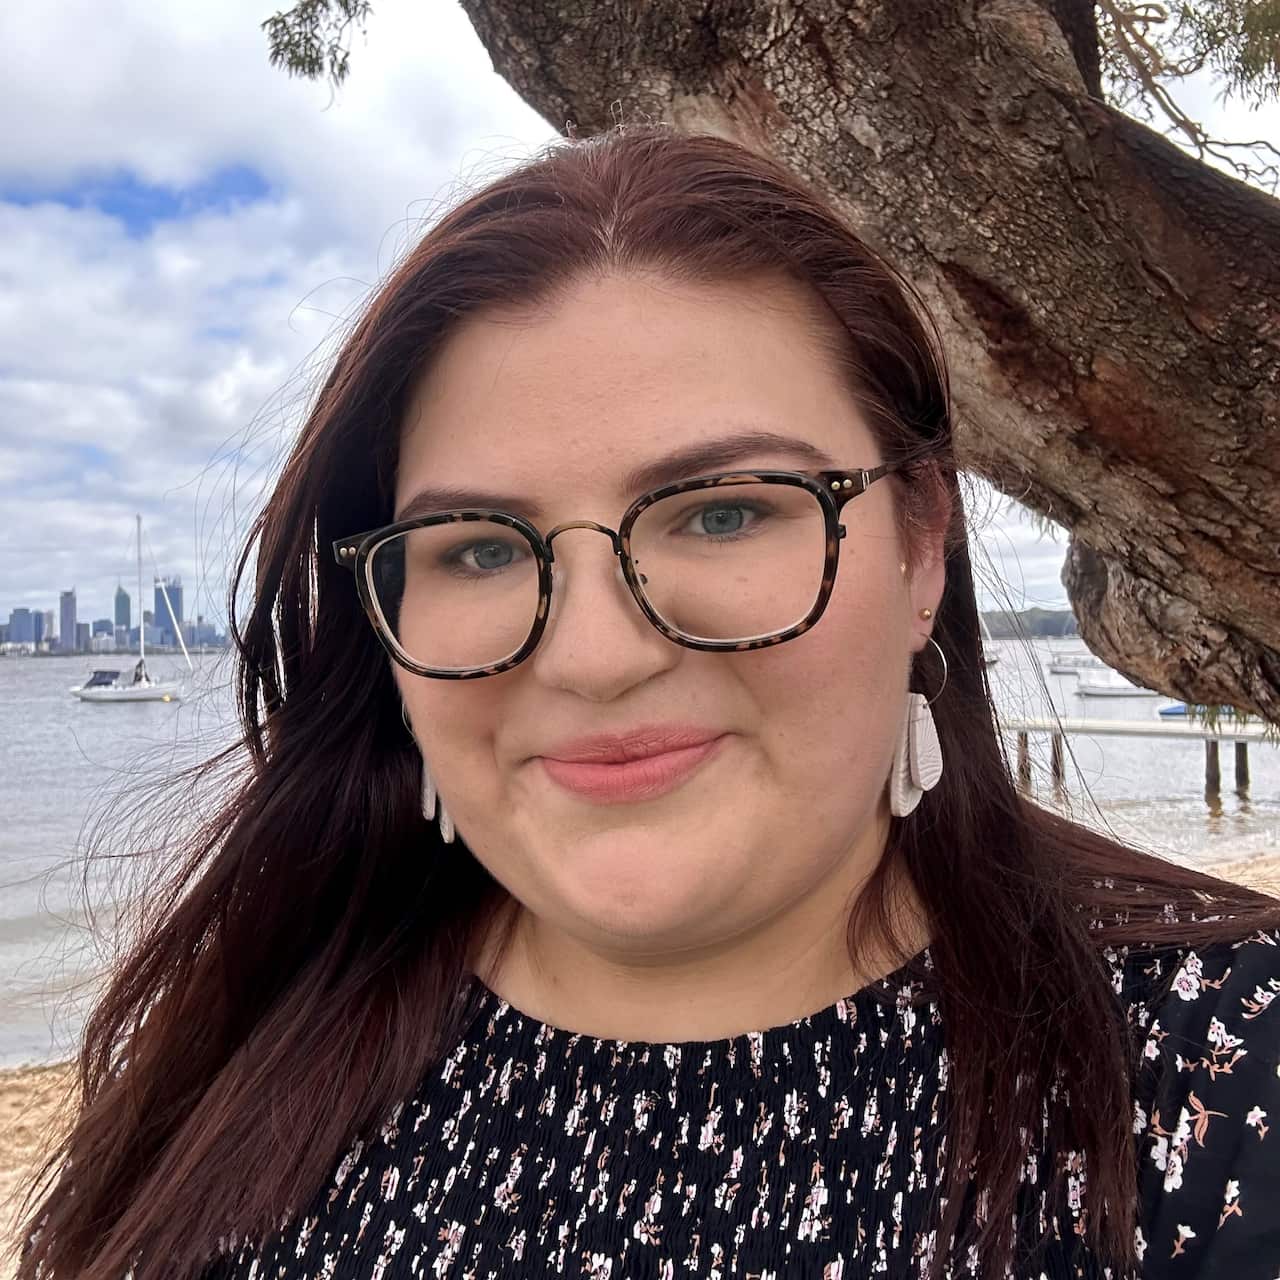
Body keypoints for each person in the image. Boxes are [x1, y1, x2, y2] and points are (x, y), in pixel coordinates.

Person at [14, 125, 1279, 1280]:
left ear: (919, 551)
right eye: (480, 545)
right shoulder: (237, 1057)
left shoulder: (1221, 1080)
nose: (593, 656)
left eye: (723, 511)